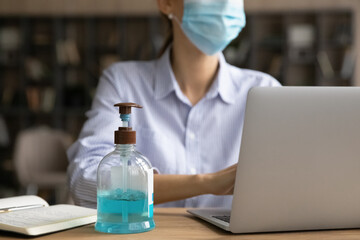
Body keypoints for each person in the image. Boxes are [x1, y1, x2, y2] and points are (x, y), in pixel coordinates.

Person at [67, 0, 281, 209]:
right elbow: (86, 181)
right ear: (166, 3)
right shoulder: (122, 83)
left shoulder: (265, 90)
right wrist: (205, 183)